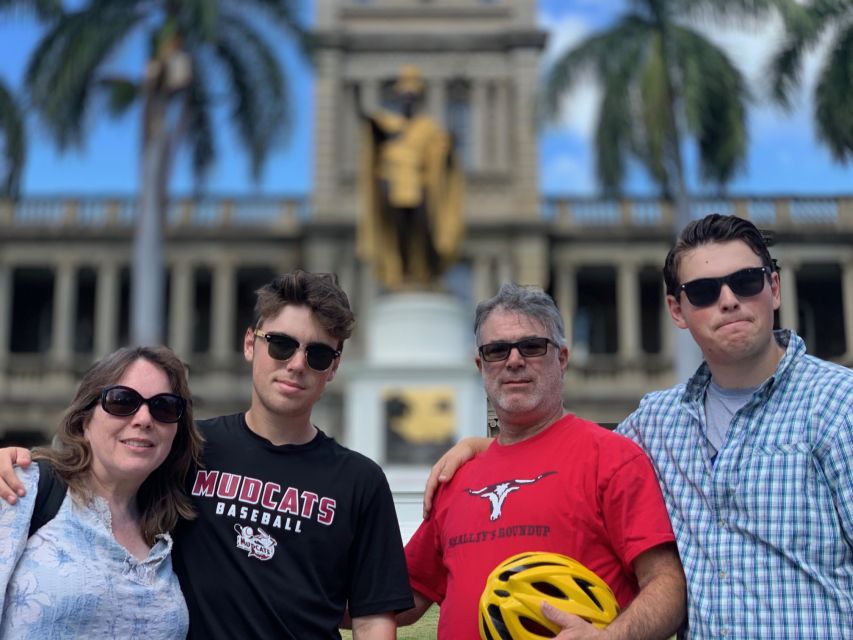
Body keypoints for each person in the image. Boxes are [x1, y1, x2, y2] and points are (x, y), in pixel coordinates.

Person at [423, 214, 853, 638]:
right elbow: (569, 452)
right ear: (678, 310)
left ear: (774, 288)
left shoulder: (840, 405)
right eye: (703, 291)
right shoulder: (656, 423)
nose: (727, 300)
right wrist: (491, 449)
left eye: (746, 281)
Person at [0, 271, 413, 639]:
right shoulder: (186, 451)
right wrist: (21, 462)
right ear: (251, 344)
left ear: (334, 367)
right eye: (281, 345)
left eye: (318, 354)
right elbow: (100, 472)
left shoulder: (361, 480)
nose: (296, 364)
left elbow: (372, 617)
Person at [397, 282, 686, 639]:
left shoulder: (612, 458)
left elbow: (668, 583)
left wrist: (612, 638)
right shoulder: (457, 476)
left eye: (532, 347)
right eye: (497, 350)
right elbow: (401, 598)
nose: (514, 360)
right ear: (480, 365)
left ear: (562, 359)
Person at [0, 345, 203, 637]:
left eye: (164, 407)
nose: (144, 419)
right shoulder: (22, 488)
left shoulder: (174, 531)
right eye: (122, 401)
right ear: (84, 422)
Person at [357, 64, 464, 290]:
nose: (408, 100)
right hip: (393, 186)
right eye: (404, 96)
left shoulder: (427, 128)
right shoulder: (388, 124)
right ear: (398, 98)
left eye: (412, 96)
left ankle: (429, 273)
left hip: (419, 186)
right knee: (399, 232)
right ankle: (402, 275)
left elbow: (441, 151)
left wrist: (449, 148)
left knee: (427, 228)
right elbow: (371, 130)